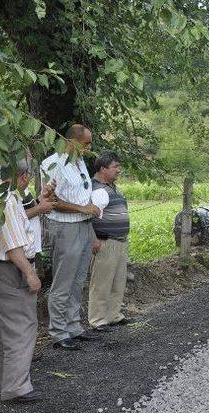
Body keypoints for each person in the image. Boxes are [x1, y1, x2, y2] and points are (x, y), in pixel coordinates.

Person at [0, 159, 54, 402]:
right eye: (27, 178)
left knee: (0, 330)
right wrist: (30, 273)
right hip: (10, 269)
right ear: (22, 177)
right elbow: (13, 246)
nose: (27, 183)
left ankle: (0, 382)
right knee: (22, 327)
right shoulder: (6, 200)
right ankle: (16, 387)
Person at [40, 124, 100, 350]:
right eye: (85, 143)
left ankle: (74, 326)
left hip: (84, 226)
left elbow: (82, 192)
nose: (88, 147)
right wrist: (82, 209)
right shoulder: (52, 164)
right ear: (71, 141)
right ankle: (58, 331)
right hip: (65, 228)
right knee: (63, 281)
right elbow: (52, 201)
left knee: (78, 279)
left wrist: (90, 209)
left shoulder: (80, 161)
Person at [88, 151, 132, 330]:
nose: (118, 170)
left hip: (120, 241)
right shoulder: (92, 187)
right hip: (105, 241)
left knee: (118, 281)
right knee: (101, 282)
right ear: (103, 168)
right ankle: (97, 320)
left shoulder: (114, 187)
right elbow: (86, 216)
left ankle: (114, 315)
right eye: (115, 167)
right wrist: (93, 238)